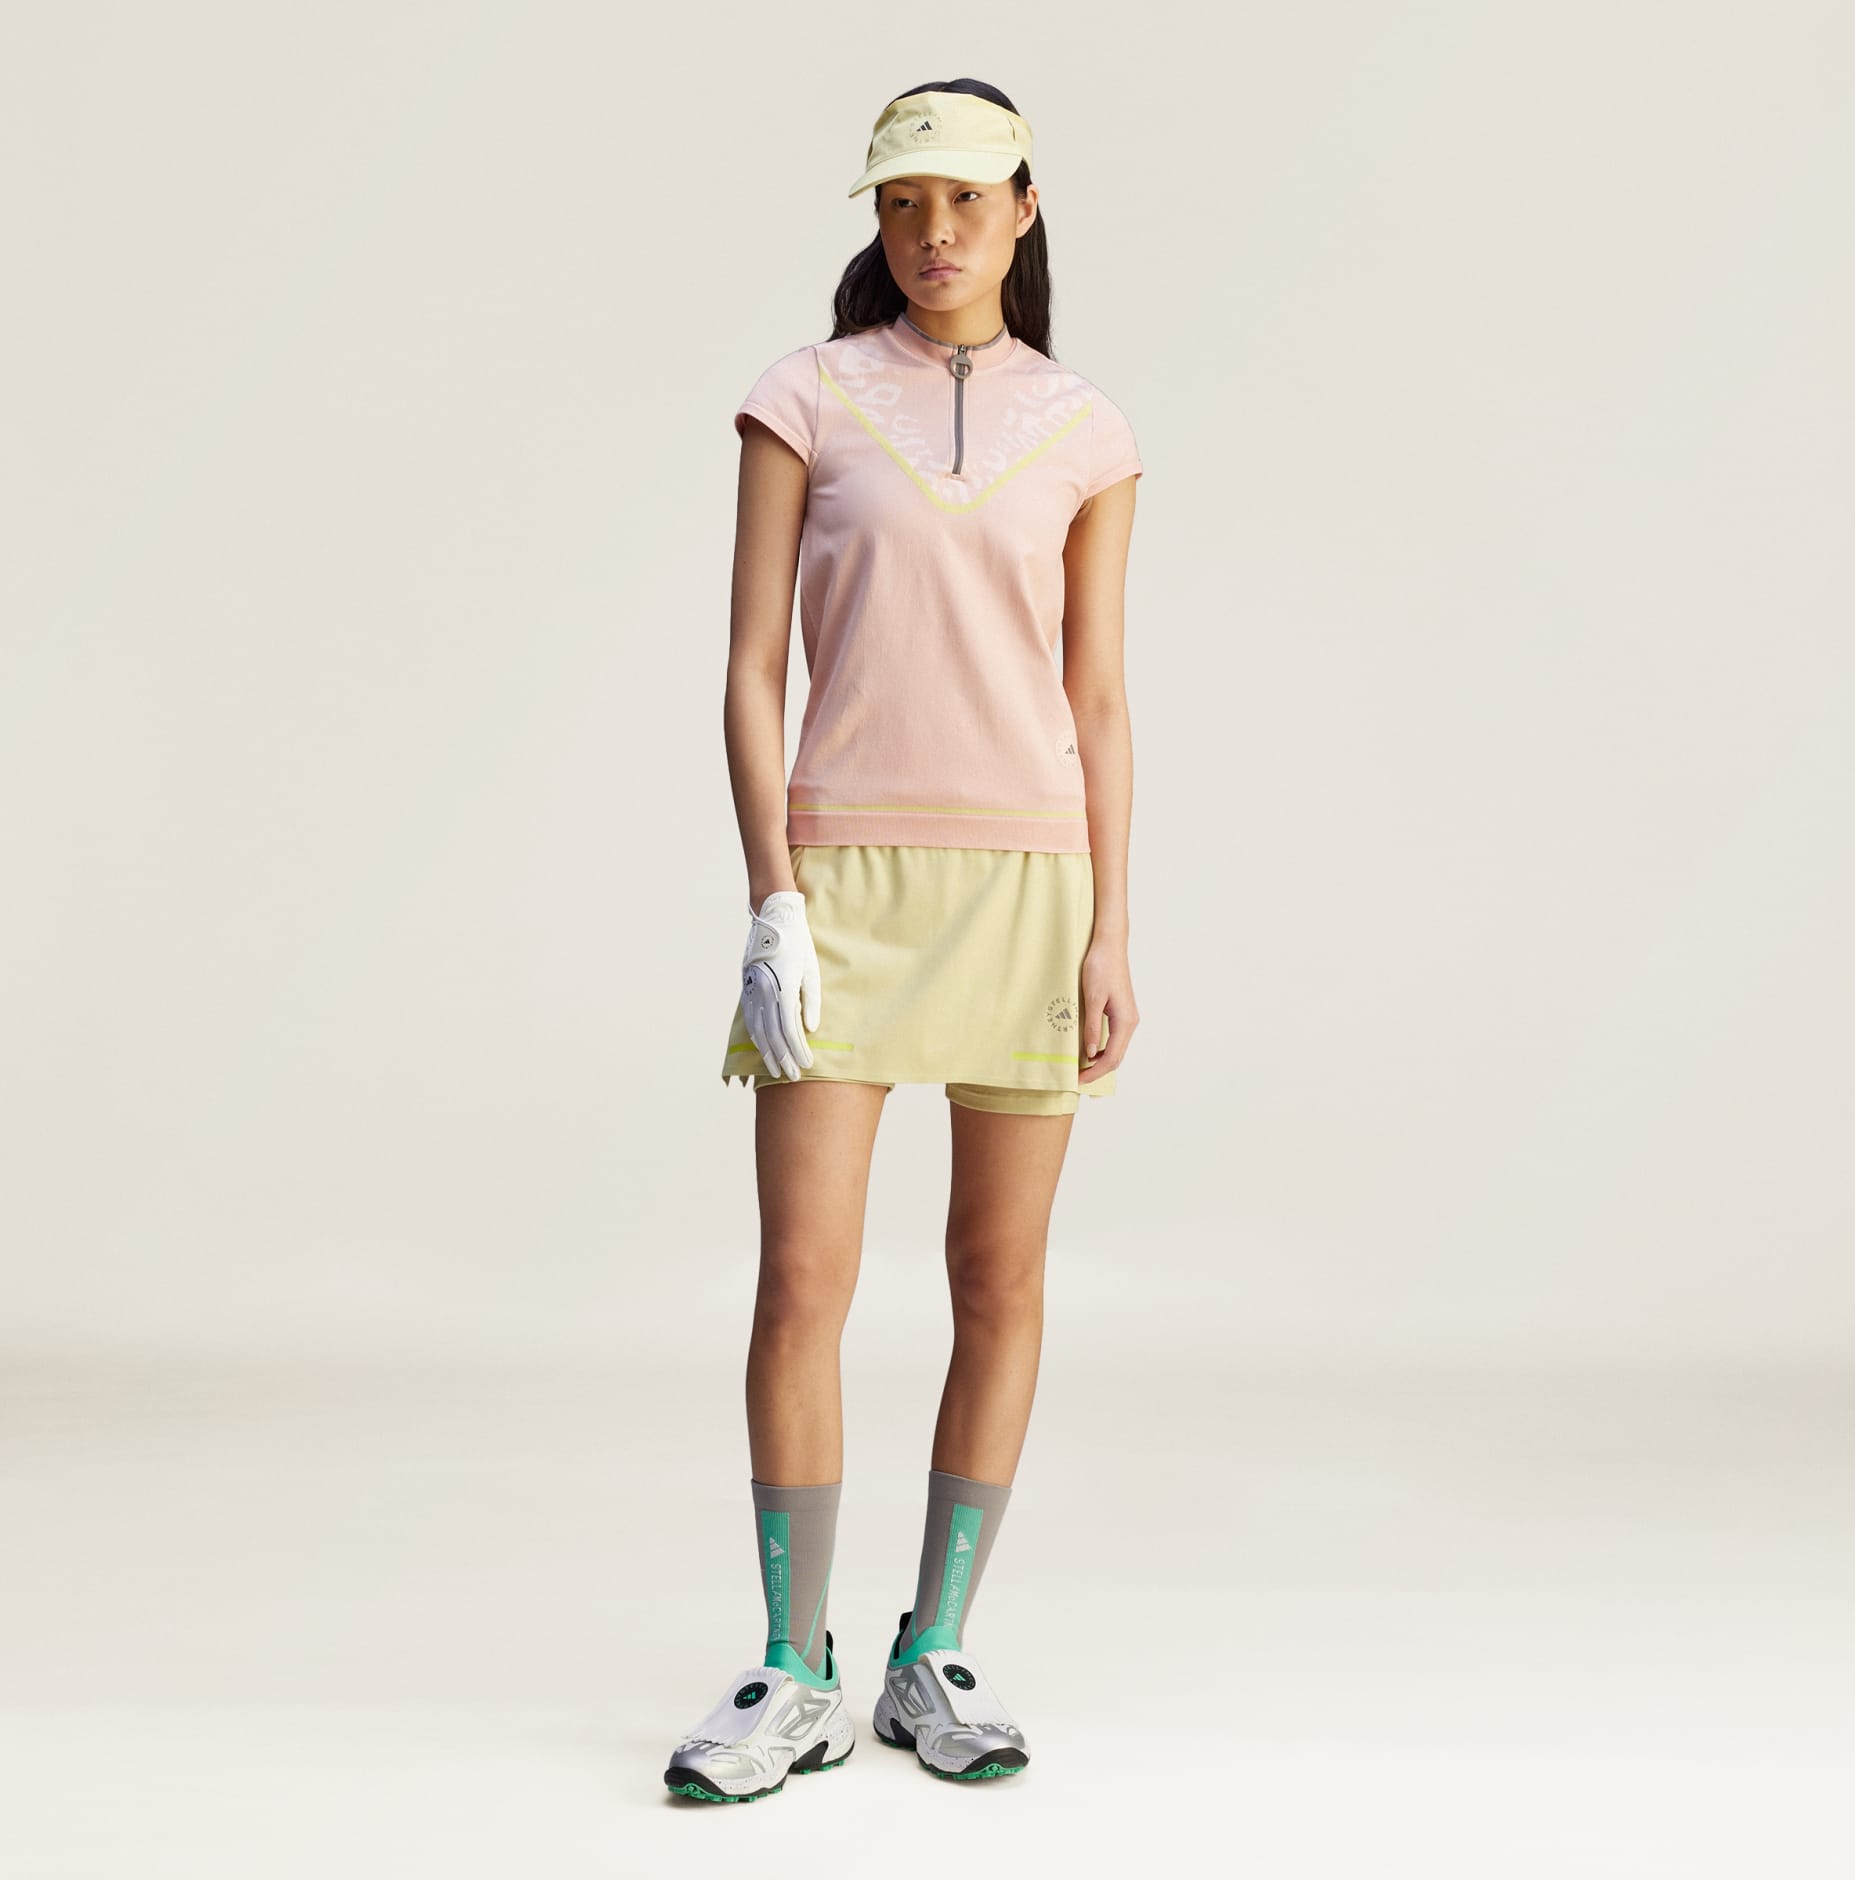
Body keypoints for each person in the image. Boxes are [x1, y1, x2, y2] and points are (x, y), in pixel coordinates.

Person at [664, 77, 1144, 1803]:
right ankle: (792, 1666)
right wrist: (770, 895)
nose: (933, 232)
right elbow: (750, 666)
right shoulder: (801, 396)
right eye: (901, 203)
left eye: (964, 199)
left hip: (1029, 886)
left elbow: (1099, 693)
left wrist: (1109, 924)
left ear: (1024, 207)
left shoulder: (1086, 429)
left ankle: (931, 1648)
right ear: (878, 220)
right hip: (842, 885)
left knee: (998, 1281)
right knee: (802, 1279)